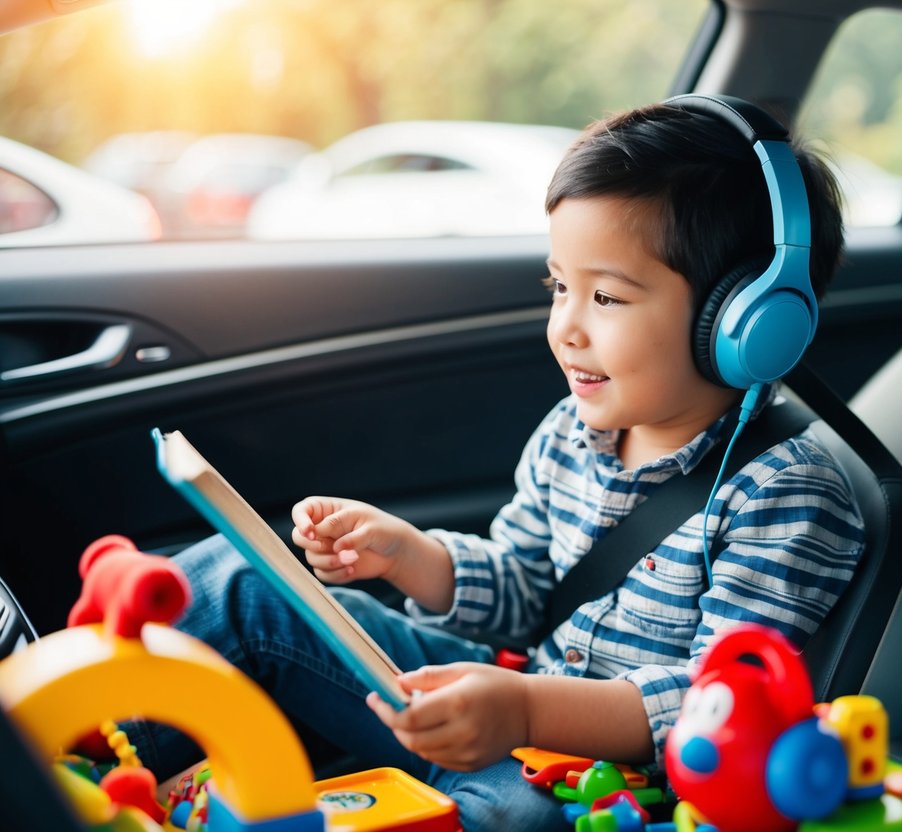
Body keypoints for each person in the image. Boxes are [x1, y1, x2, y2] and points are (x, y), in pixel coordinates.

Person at [126, 98, 864, 831]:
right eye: (558, 287)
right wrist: (407, 555)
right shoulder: (571, 432)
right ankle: (93, 754)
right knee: (248, 581)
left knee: (523, 820)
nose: (565, 327)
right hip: (507, 702)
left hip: (612, 789)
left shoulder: (785, 496)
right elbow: (522, 586)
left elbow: (719, 705)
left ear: (745, 321)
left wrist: (524, 711)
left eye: (605, 296)